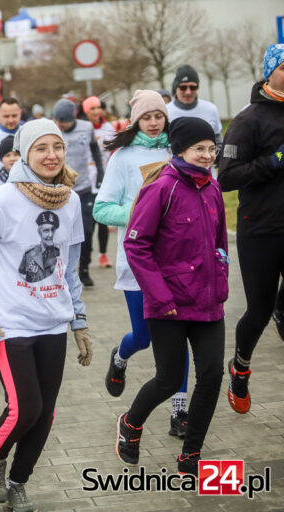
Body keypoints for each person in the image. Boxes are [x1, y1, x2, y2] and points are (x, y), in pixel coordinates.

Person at [0, 118, 91, 512]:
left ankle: (18, 482)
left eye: (58, 147)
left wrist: (79, 321)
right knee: (26, 408)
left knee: (45, 413)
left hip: (53, 322)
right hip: (10, 324)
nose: (51, 156)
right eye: (41, 148)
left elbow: (69, 269)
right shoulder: (2, 201)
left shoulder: (71, 201)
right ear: (24, 154)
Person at [117, 117, 227, 477]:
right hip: (168, 306)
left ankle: (191, 454)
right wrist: (161, 297)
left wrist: (221, 281)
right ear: (180, 150)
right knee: (169, 379)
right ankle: (131, 423)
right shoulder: (161, 188)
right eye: (199, 149)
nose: (207, 155)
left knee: (211, 376)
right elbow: (136, 245)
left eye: (211, 149)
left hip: (208, 304)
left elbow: (220, 244)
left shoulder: (212, 188)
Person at [94, 89, 192, 438]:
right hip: (138, 262)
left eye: (158, 116)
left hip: (176, 261)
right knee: (145, 337)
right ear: (136, 121)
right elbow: (101, 209)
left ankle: (180, 412)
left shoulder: (177, 151)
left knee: (179, 339)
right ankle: (120, 357)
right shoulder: (122, 158)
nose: (153, 123)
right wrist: (139, 212)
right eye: (147, 117)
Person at [218, 44, 284, 414]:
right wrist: (274, 161)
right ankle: (240, 368)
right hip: (260, 229)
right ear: (270, 71)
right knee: (259, 309)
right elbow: (227, 177)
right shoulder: (248, 119)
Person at [52, 99, 105, 287]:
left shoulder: (86, 127)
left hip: (83, 188)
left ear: (72, 118)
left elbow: (95, 151)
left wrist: (100, 173)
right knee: (61, 234)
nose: (59, 125)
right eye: (57, 121)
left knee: (87, 232)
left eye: (63, 122)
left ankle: (84, 269)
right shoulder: (52, 129)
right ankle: (62, 271)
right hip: (60, 190)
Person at [81, 96, 116, 269]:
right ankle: (84, 258)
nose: (96, 112)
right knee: (87, 224)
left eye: (98, 108)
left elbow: (114, 152)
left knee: (103, 220)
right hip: (86, 181)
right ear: (85, 112)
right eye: (92, 109)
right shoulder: (82, 128)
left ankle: (103, 255)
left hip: (104, 179)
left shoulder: (108, 128)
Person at [166, 65, 222, 149]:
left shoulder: (211, 109)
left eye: (193, 87)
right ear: (175, 88)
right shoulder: (165, 111)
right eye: (183, 87)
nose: (188, 92)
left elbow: (218, 141)